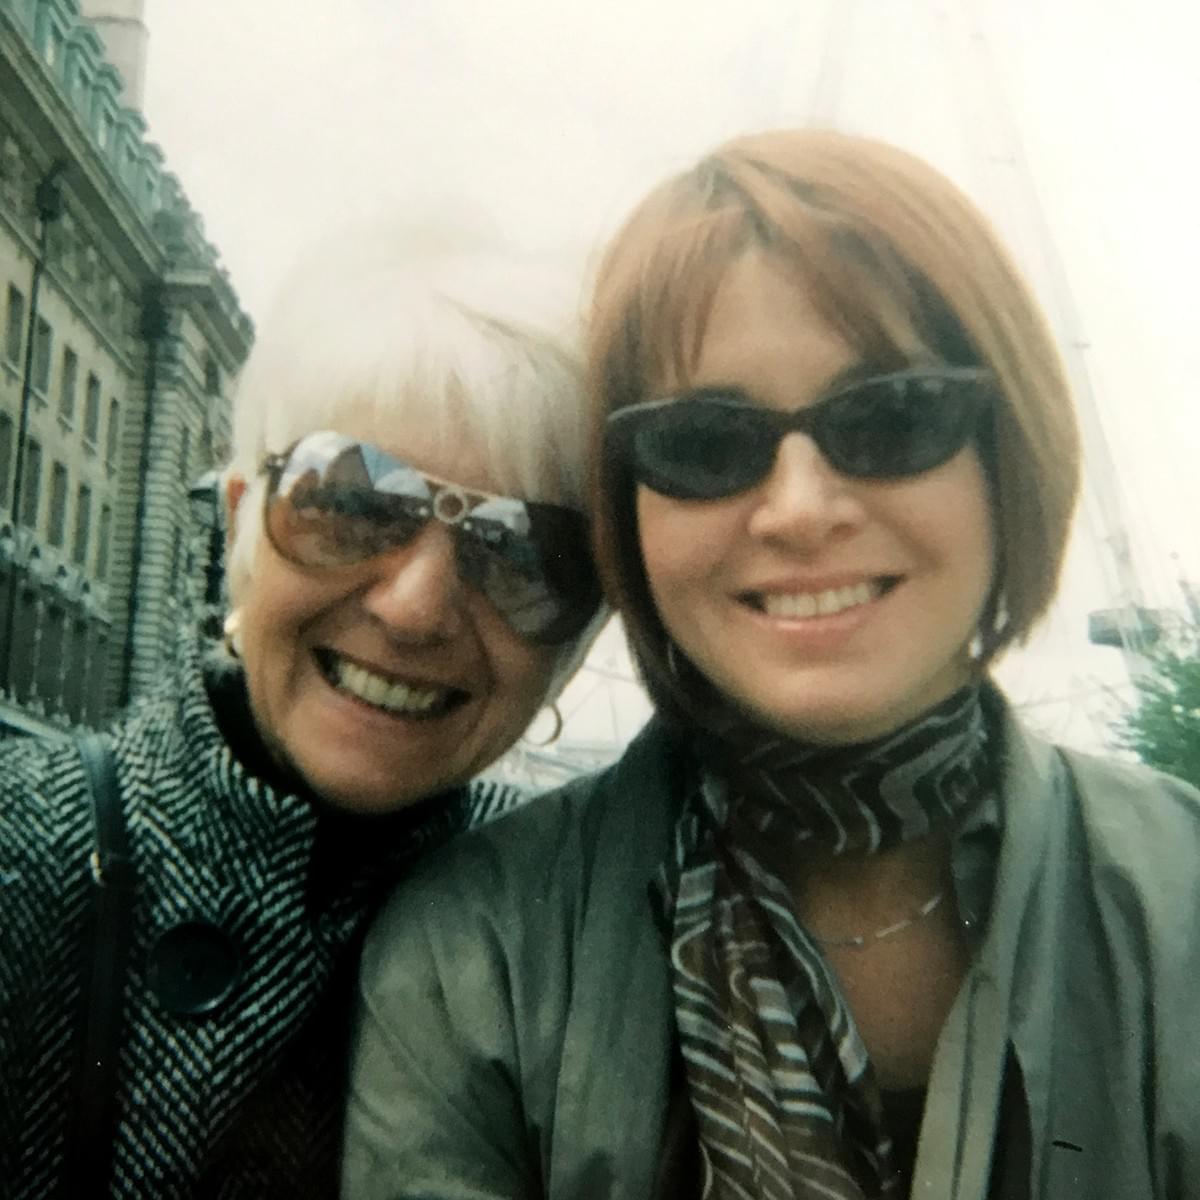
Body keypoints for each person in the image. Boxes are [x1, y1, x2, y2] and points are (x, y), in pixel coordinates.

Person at [342, 132, 1200, 1199]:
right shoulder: (476, 950)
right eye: (707, 441)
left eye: (891, 417)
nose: (800, 509)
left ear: (1007, 450)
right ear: (628, 505)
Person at [0, 230, 604, 1198]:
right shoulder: (20, 847)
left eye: (524, 555)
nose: (415, 608)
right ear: (242, 520)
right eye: (355, 504)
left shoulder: (581, 936)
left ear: (576, 639)